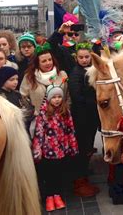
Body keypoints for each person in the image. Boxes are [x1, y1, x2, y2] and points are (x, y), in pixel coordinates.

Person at [32, 84, 78, 212]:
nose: (57, 100)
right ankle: (49, 196)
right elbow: (39, 133)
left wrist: (73, 146)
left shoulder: (65, 112)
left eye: (59, 97)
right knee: (48, 174)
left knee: (59, 173)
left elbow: (70, 130)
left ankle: (57, 195)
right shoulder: (43, 113)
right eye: (54, 97)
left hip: (62, 149)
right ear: (48, 98)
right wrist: (37, 151)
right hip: (48, 150)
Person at [68, 42, 101, 198]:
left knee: (88, 146)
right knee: (82, 147)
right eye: (81, 57)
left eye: (87, 57)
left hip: (91, 116)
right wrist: (96, 101)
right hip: (82, 117)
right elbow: (77, 97)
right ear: (76, 57)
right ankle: (79, 180)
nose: (84, 60)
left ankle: (83, 174)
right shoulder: (76, 73)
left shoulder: (91, 69)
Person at [20, 44, 68, 116]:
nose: (48, 63)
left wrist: (65, 109)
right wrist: (33, 112)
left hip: (60, 118)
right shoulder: (29, 77)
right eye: (44, 61)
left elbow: (68, 95)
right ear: (37, 63)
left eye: (50, 59)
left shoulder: (62, 75)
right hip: (39, 119)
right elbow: (23, 97)